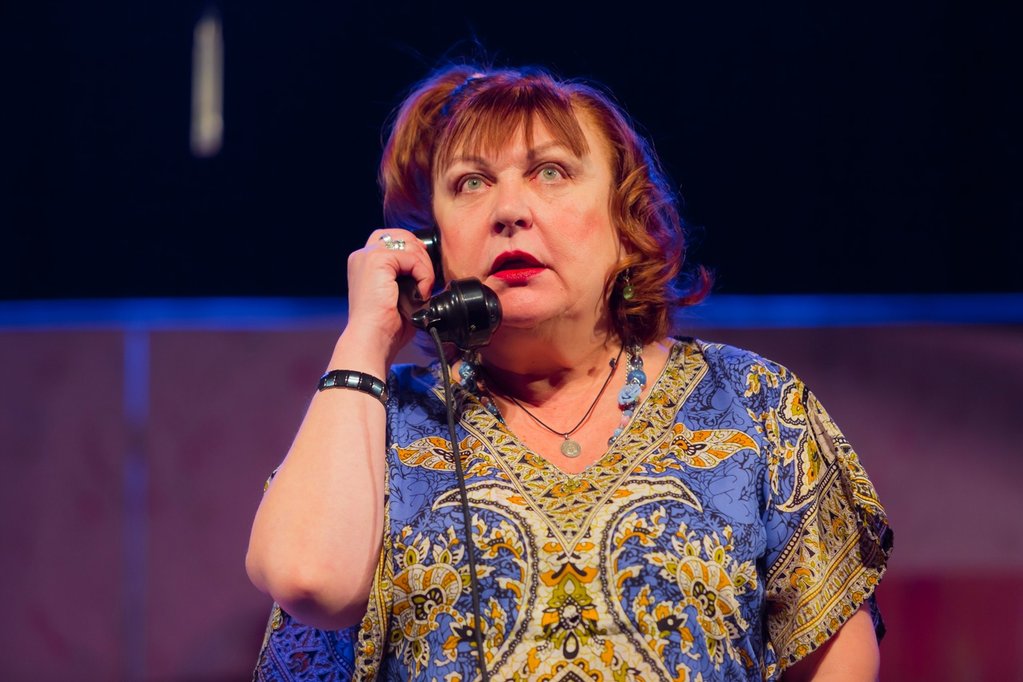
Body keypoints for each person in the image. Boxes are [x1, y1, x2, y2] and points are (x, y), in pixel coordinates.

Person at [245, 63, 892, 681]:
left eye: (550, 172)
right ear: (433, 243)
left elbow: (835, 665)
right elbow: (307, 580)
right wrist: (366, 335)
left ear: (625, 219)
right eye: (470, 183)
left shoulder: (755, 404)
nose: (508, 210)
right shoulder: (378, 427)